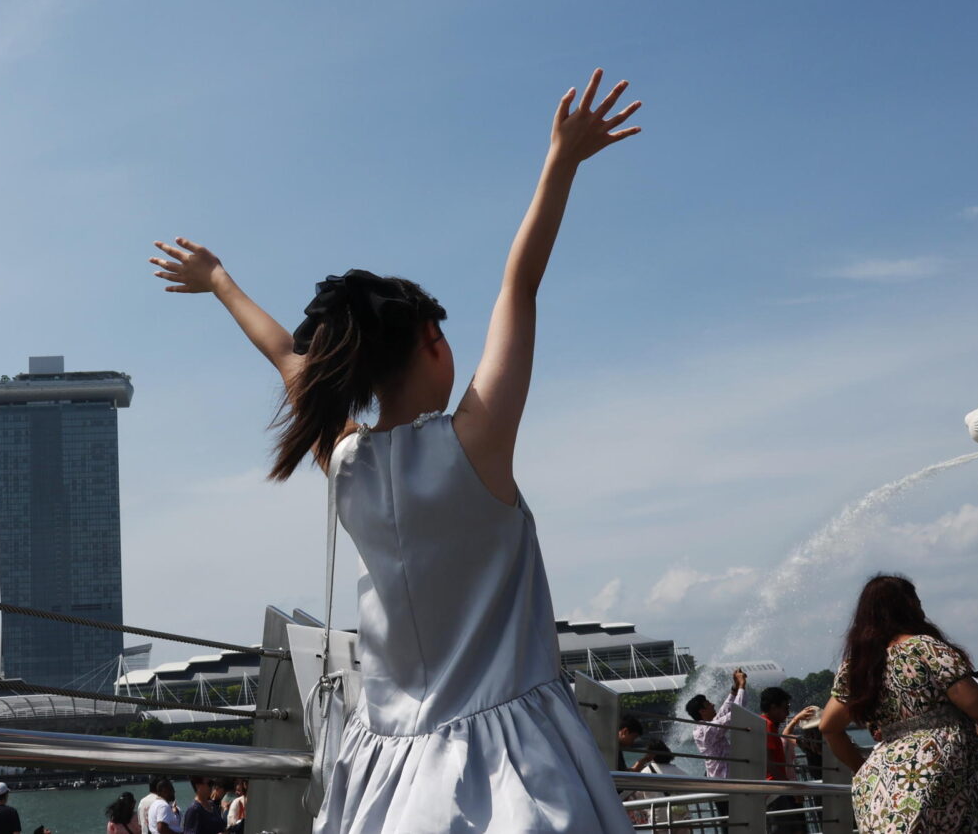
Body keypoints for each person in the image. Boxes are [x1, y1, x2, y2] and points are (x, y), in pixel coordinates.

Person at [150, 70, 644, 833]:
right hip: (512, 759)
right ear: (433, 343)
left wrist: (219, 279)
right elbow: (521, 283)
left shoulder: (347, 462)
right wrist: (561, 161)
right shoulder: (476, 441)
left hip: (388, 770)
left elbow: (285, 354)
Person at [818, 573, 978, 834]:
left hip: (884, 782)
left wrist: (863, 768)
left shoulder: (859, 665)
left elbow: (828, 727)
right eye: (917, 601)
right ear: (907, 606)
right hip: (944, 767)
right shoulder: (926, 648)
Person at [685, 668, 748, 779]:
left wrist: (735, 687)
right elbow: (737, 713)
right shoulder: (704, 731)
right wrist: (742, 685)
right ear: (702, 711)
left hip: (726, 778)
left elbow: (725, 710)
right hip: (724, 781)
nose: (713, 705)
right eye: (708, 704)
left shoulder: (707, 725)